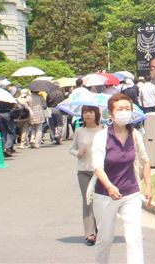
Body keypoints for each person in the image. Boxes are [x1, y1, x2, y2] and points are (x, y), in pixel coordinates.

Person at [90, 93, 151, 264]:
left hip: (131, 193)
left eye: (127, 109)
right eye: (120, 109)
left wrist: (148, 186)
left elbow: (145, 160)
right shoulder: (102, 137)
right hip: (105, 195)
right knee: (105, 239)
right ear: (111, 114)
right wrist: (109, 186)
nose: (124, 112)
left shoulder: (135, 134)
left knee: (134, 238)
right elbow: (97, 167)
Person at [70, 105, 101, 246]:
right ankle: (90, 233)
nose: (87, 115)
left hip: (100, 171)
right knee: (87, 200)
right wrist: (78, 153)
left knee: (100, 201)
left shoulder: (103, 131)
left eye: (90, 112)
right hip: (83, 171)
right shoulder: (79, 131)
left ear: (96, 114)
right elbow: (71, 148)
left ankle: (100, 228)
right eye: (85, 112)